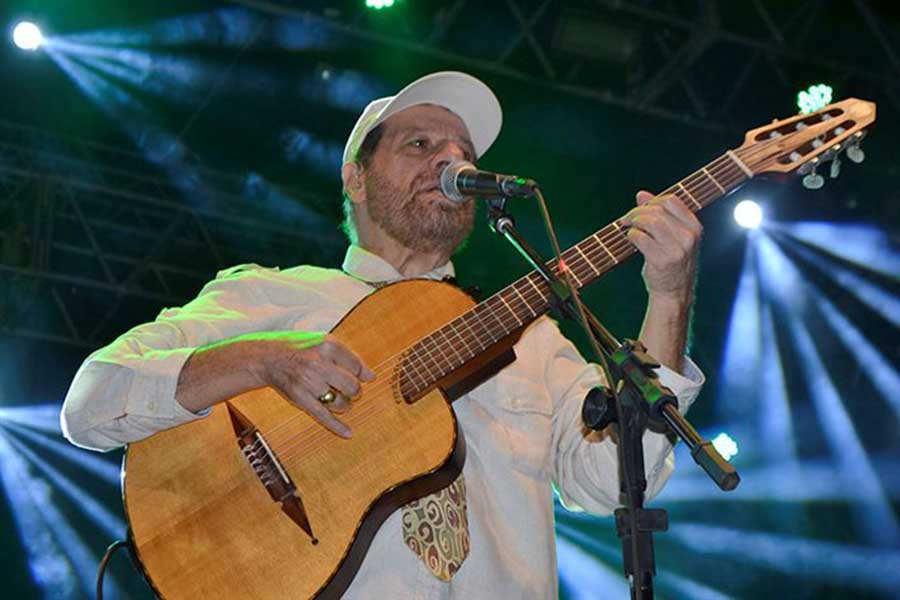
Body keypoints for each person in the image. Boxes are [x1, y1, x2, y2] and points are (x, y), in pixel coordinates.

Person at [61, 71, 704, 598]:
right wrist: (263, 360)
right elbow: (90, 404)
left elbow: (612, 482)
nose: (451, 159)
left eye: (465, 153)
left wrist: (669, 294)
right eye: (420, 145)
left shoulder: (532, 338)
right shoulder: (273, 293)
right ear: (357, 179)